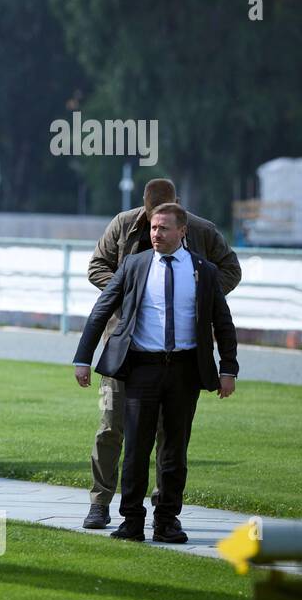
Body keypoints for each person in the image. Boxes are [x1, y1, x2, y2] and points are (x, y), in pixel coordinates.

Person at [81, 178, 241, 530]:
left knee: (169, 439)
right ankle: (100, 501)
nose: (156, 228)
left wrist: (202, 296)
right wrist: (129, 291)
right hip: (125, 348)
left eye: (164, 222)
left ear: (179, 214)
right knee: (111, 428)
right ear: (144, 208)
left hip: (179, 357)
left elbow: (230, 269)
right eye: (152, 219)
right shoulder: (123, 224)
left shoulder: (201, 230)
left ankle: (163, 511)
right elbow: (96, 266)